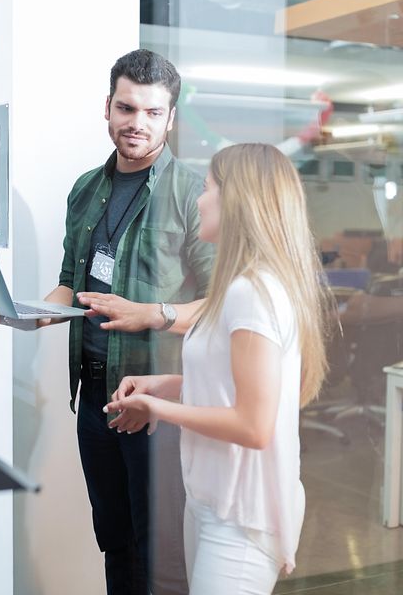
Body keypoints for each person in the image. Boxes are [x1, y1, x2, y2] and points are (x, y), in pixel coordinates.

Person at [0, 49, 213, 594]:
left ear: (171, 118)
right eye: (127, 108)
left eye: (153, 112)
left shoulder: (193, 194)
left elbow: (221, 301)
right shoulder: (86, 188)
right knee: (114, 540)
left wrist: (154, 314)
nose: (138, 123)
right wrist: (29, 316)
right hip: (94, 396)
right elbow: (71, 282)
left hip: (158, 402)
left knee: (162, 553)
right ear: (107, 107)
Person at [80, 143, 333, 594]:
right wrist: (165, 386)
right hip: (211, 501)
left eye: (210, 188)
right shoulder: (238, 286)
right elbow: (230, 382)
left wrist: (158, 410)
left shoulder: (253, 293)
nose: (199, 200)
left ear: (238, 201)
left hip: (240, 517)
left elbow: (254, 424)